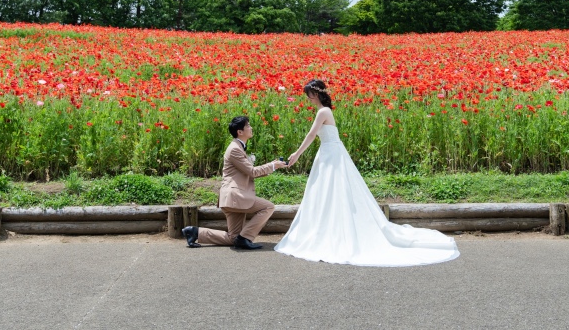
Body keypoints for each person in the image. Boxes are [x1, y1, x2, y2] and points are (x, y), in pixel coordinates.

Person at [274, 79, 460, 266]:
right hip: (328, 153)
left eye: (309, 94)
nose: (308, 98)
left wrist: (297, 154)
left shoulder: (323, 111)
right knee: (327, 191)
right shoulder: (325, 111)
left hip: (330, 154)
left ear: (316, 94)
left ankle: (331, 232)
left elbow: (312, 134)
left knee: (332, 190)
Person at [182, 116, 287, 250]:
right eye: (248, 126)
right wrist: (273, 165)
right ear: (240, 132)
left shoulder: (238, 147)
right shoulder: (235, 149)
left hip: (232, 198)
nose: (251, 128)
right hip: (236, 197)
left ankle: (195, 232)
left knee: (233, 237)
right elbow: (252, 172)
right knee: (268, 207)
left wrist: (274, 166)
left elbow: (248, 172)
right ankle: (245, 238)